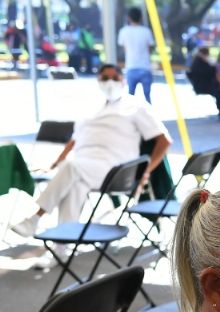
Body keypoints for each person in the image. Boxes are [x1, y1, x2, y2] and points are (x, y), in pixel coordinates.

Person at [10, 64, 171, 237]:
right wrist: (54, 164)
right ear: (98, 81)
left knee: (71, 168)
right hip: (84, 167)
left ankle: (35, 218)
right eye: (105, 78)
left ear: (122, 81)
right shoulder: (91, 109)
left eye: (114, 78)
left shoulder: (136, 106)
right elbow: (74, 140)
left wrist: (145, 171)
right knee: (75, 188)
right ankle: (62, 248)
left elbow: (164, 140)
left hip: (116, 170)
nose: (110, 82)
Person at [118, 7, 155, 103]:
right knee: (147, 96)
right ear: (141, 17)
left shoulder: (124, 31)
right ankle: (149, 116)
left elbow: (124, 48)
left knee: (130, 97)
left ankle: (130, 117)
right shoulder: (146, 31)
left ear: (128, 18)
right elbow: (150, 48)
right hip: (145, 67)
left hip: (131, 66)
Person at [188, 47, 220, 121]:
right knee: (219, 93)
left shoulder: (200, 61)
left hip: (206, 84)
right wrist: (212, 65)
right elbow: (208, 72)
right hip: (203, 85)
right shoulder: (198, 62)